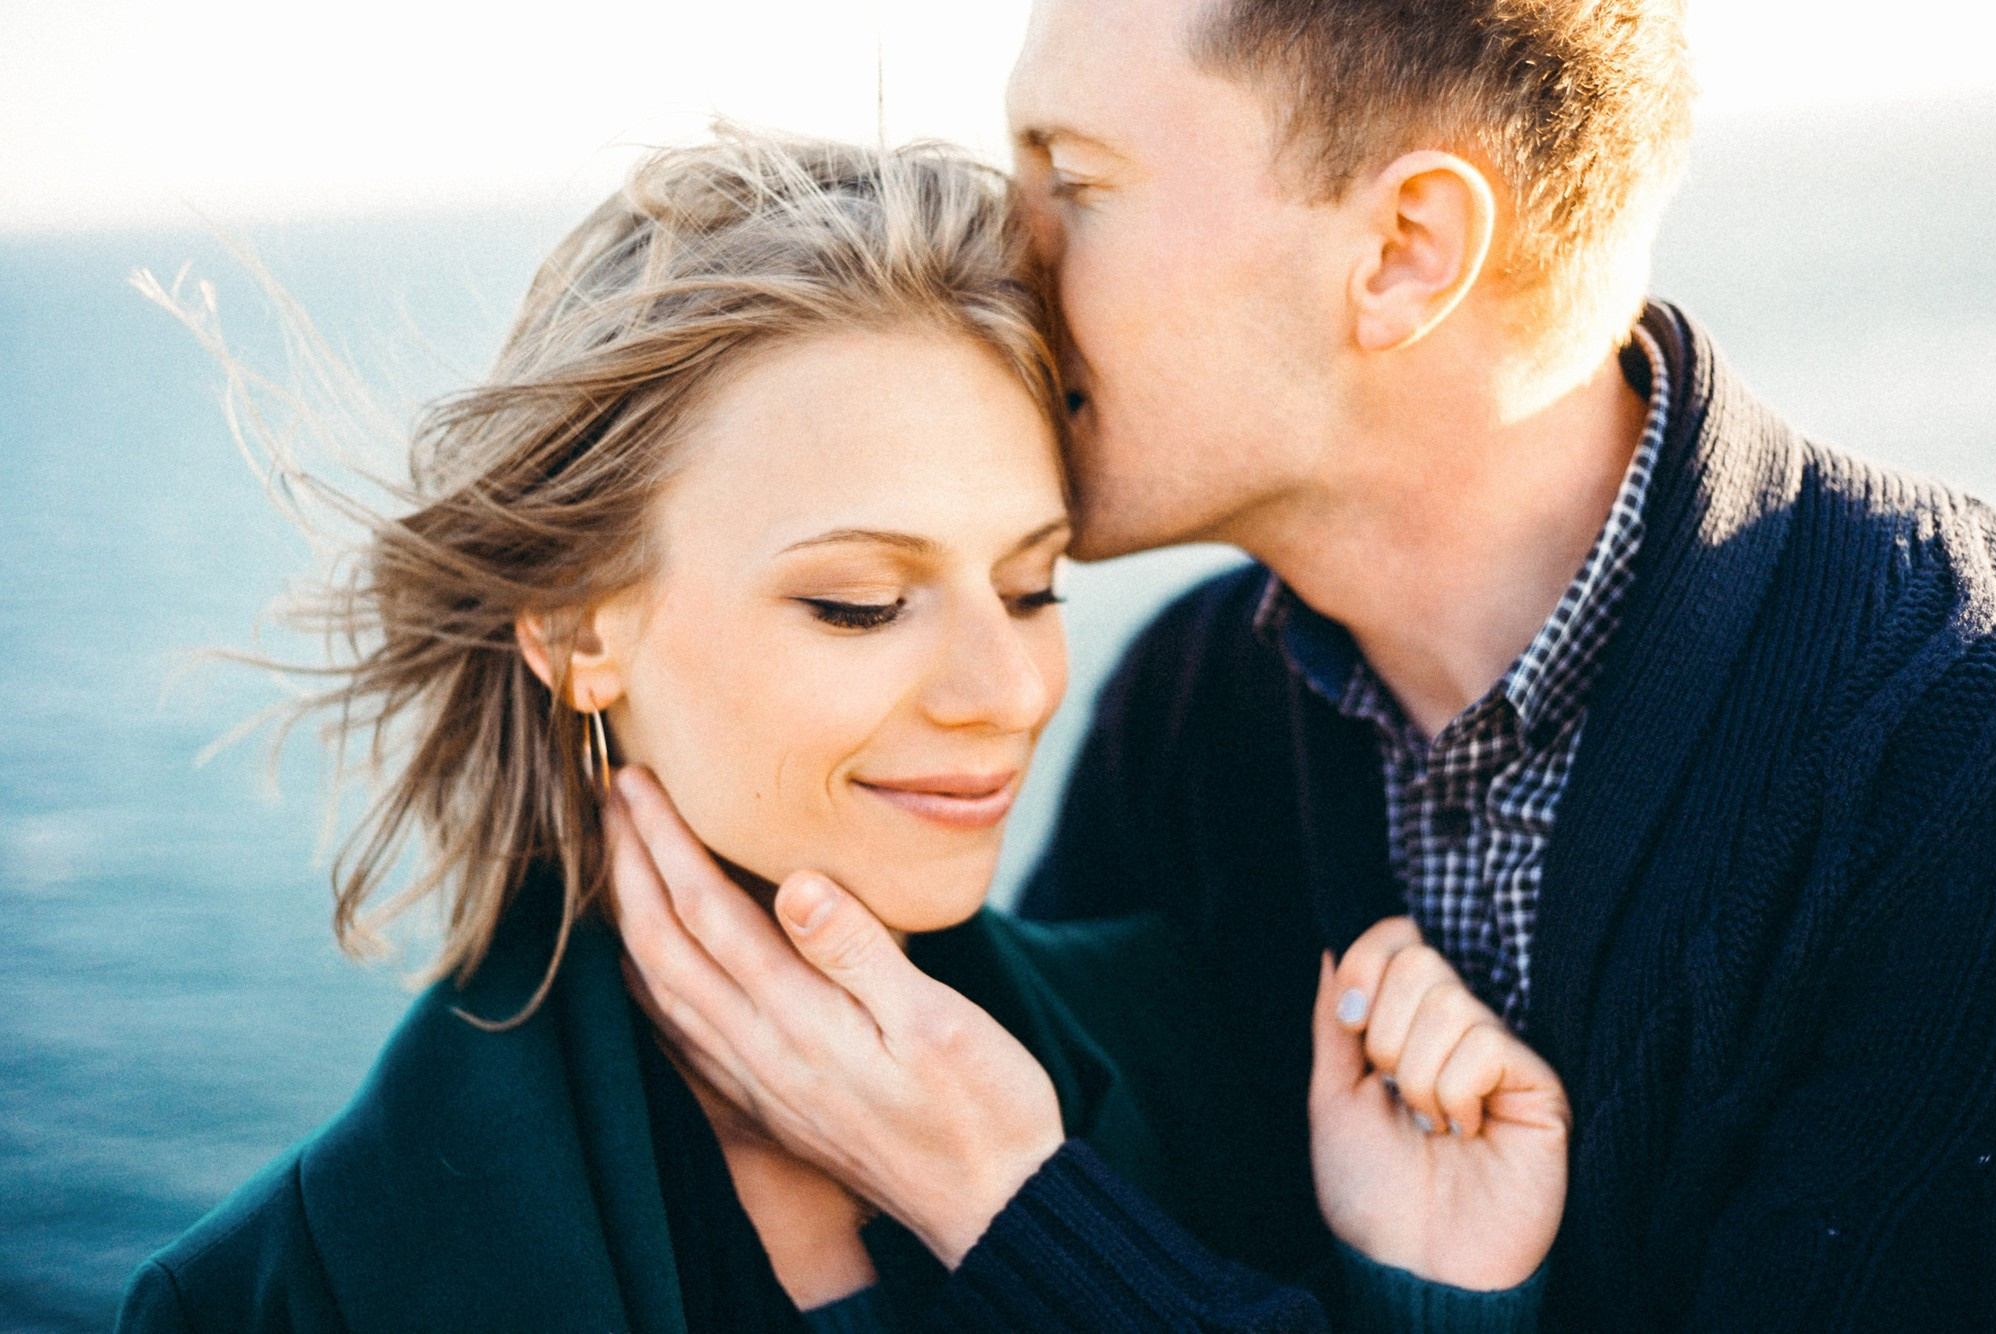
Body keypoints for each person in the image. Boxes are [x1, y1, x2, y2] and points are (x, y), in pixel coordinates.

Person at [611, 0, 1996, 1329]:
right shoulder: (1193, 713)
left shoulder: (1952, 765)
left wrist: (995, 1198)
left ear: (1403, 248)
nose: (996, 255)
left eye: (1073, 179)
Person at [117, 131, 1570, 1333]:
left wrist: (1428, 1303)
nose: (1005, 690)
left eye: (1030, 587)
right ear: (574, 630)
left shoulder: (1218, 1063)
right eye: (861, 604)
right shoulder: (270, 1299)